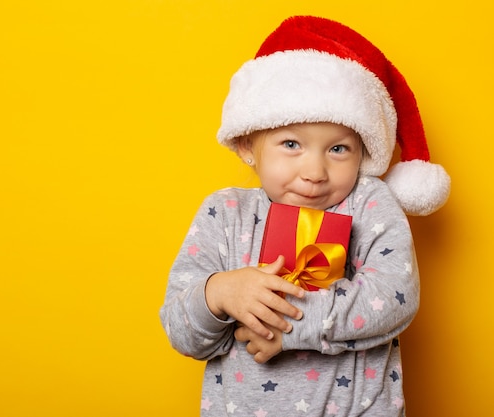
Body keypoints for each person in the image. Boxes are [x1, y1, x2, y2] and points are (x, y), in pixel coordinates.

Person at [159, 15, 450, 416]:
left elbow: (394, 297)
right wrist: (220, 293)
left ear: (363, 151)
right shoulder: (223, 214)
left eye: (338, 149)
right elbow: (182, 332)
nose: (314, 172)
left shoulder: (368, 203)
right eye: (291, 143)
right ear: (247, 144)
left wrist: (291, 325)